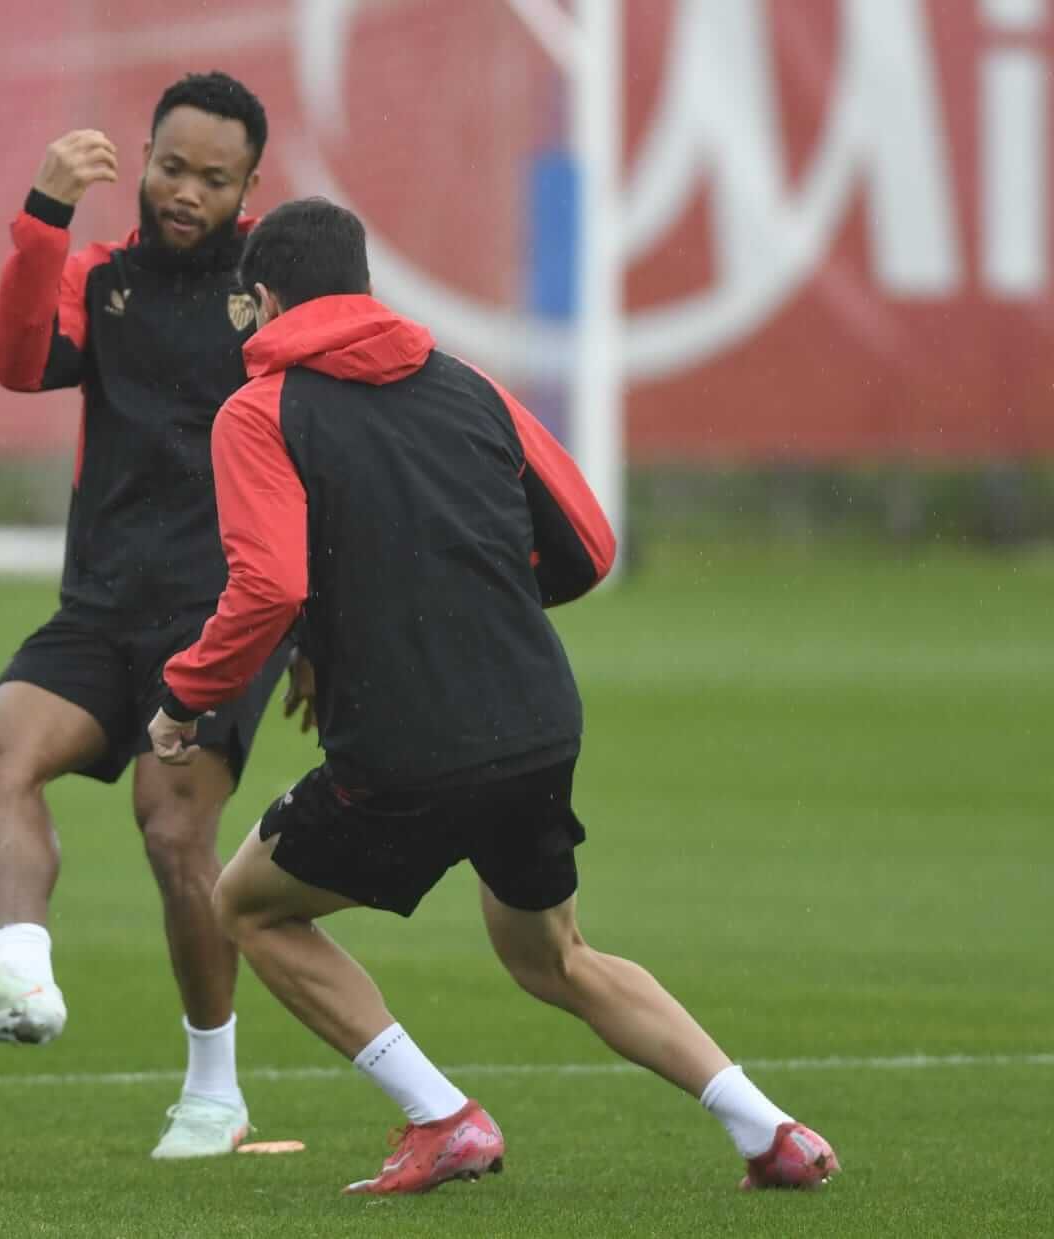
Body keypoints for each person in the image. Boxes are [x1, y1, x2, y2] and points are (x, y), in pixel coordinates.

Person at [147, 197, 841, 1195]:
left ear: (260, 300)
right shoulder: (467, 384)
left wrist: (183, 700)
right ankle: (769, 1132)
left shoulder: (256, 412)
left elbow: (269, 585)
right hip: (533, 719)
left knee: (247, 906)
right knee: (552, 953)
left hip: (405, 746)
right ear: (363, 288)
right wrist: (474, 611)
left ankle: (441, 1118)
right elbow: (587, 548)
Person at [0, 72, 293, 1161]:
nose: (183, 192)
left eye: (212, 176)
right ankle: (22, 980)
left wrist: (322, 627)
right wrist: (42, 219)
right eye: (169, 167)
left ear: (251, 185)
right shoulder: (100, 279)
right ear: (142, 161)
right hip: (102, 605)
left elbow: (326, 456)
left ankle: (215, 1093)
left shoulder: (275, 296)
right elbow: (17, 366)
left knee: (170, 827)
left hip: (222, 617)